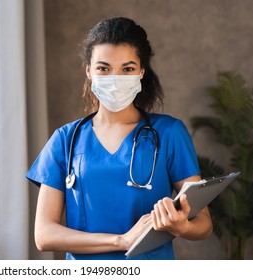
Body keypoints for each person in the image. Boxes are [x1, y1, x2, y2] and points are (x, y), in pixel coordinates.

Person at [26, 17, 212, 260]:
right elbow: (44, 235)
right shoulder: (65, 140)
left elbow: (204, 223)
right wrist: (122, 240)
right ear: (89, 71)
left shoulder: (169, 133)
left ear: (141, 71)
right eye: (104, 68)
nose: (115, 78)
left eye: (127, 69)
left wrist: (182, 227)